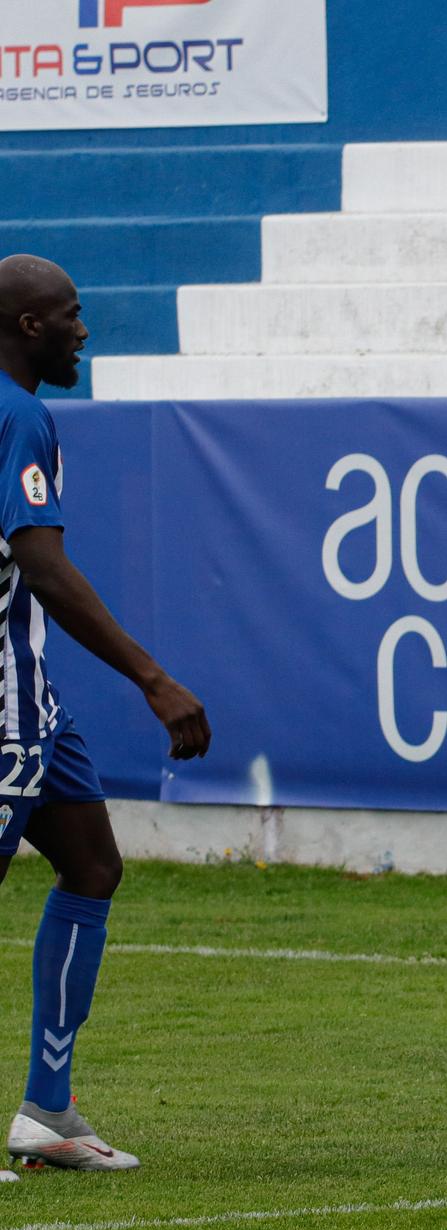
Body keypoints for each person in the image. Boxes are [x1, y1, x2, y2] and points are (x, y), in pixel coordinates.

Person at [0, 255, 211, 1172]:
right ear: (31, 326)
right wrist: (152, 677)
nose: (87, 328)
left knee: (92, 863)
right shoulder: (18, 414)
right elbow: (41, 563)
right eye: (72, 314)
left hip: (33, 698)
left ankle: (49, 1112)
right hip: (1, 702)